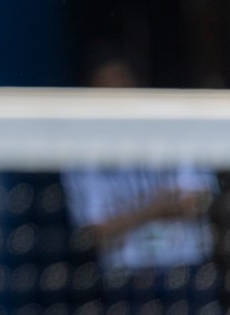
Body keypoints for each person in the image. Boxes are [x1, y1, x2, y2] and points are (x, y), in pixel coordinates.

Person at [60, 53, 221, 312]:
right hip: (127, 283)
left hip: (189, 275)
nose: (116, 97)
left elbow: (199, 201)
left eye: (121, 86)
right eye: (106, 90)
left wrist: (126, 219)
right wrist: (156, 208)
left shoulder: (176, 131)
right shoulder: (82, 154)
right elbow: (96, 234)